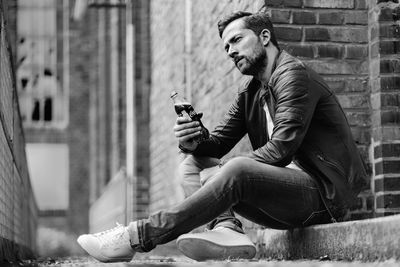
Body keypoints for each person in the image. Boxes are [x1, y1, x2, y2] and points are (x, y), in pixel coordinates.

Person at [77, 11, 367, 262]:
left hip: (323, 197)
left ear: (264, 37)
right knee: (191, 163)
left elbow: (281, 149)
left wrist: (223, 171)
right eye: (226, 45)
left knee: (237, 168)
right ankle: (227, 230)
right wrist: (192, 141)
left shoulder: (293, 75)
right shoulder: (251, 92)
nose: (230, 50)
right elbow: (216, 144)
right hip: (287, 197)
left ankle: (137, 235)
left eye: (237, 40)